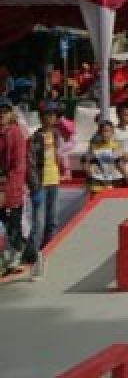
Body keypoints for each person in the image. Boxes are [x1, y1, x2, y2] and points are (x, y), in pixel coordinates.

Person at [24, 105, 68, 277]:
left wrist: (62, 169)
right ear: (41, 118)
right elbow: (31, 164)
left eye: (53, 116)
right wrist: (35, 187)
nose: (51, 119)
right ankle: (33, 254)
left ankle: (49, 250)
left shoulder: (57, 135)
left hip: (54, 180)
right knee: (39, 222)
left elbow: (59, 154)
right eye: (47, 115)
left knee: (53, 220)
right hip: (41, 183)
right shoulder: (35, 138)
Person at [0, 101, 28, 274]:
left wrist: (5, 190)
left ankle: (16, 255)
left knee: (13, 224)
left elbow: (18, 166)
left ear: (11, 114)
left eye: (4, 112)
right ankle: (6, 256)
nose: (1, 115)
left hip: (11, 188)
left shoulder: (16, 134)